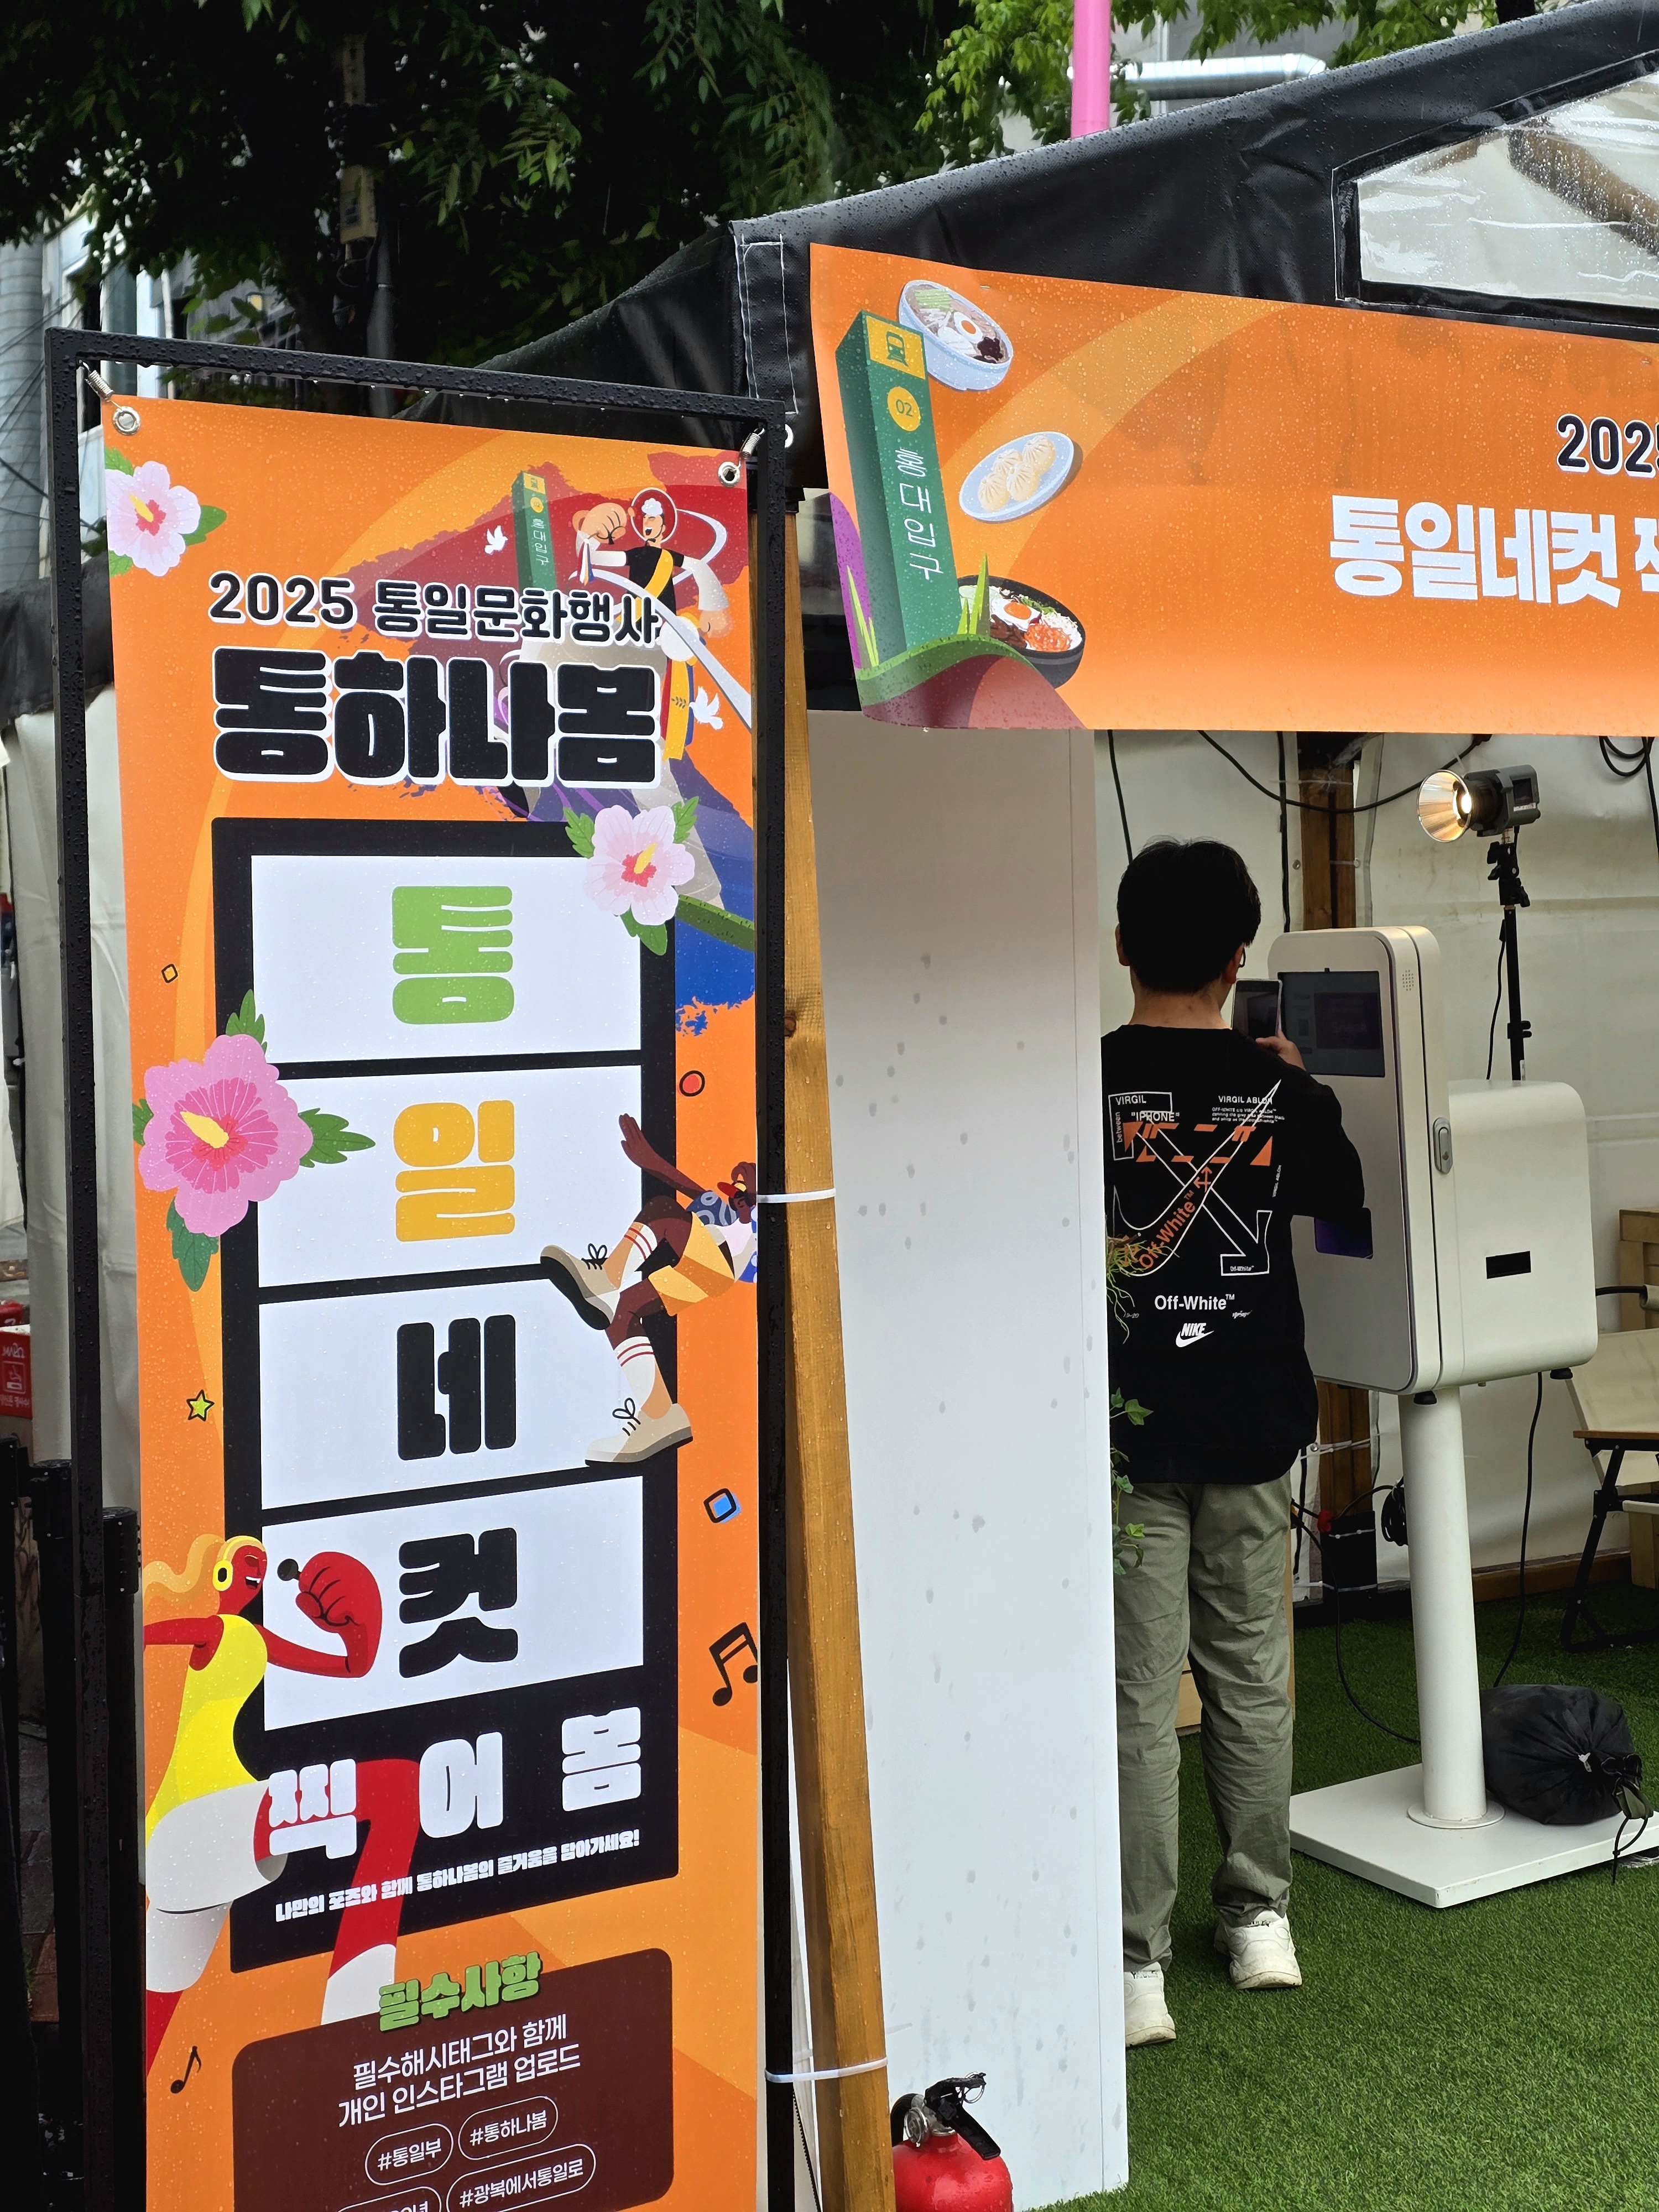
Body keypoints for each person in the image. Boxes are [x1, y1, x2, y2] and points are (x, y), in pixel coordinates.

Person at [1103, 839, 1364, 2049]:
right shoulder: (1286, 1095)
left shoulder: (1079, 1085)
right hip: (1254, 1425)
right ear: (1237, 959)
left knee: (1136, 1691)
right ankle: (1259, 1918)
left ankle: (1133, 1961)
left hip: (1124, 1433)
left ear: (1122, 946)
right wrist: (1292, 1088)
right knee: (1251, 1674)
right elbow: (1341, 1199)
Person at [541, 1112, 758, 1465]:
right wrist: (652, 1162)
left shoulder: (765, 1217)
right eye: (737, 1186)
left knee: (664, 1211)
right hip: (709, 1269)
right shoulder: (724, 1211)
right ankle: (660, 1416)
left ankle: (606, 1279)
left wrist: (756, 1205)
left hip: (724, 1265)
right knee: (621, 1313)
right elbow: (695, 1191)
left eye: (744, 1185)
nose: (737, 1191)